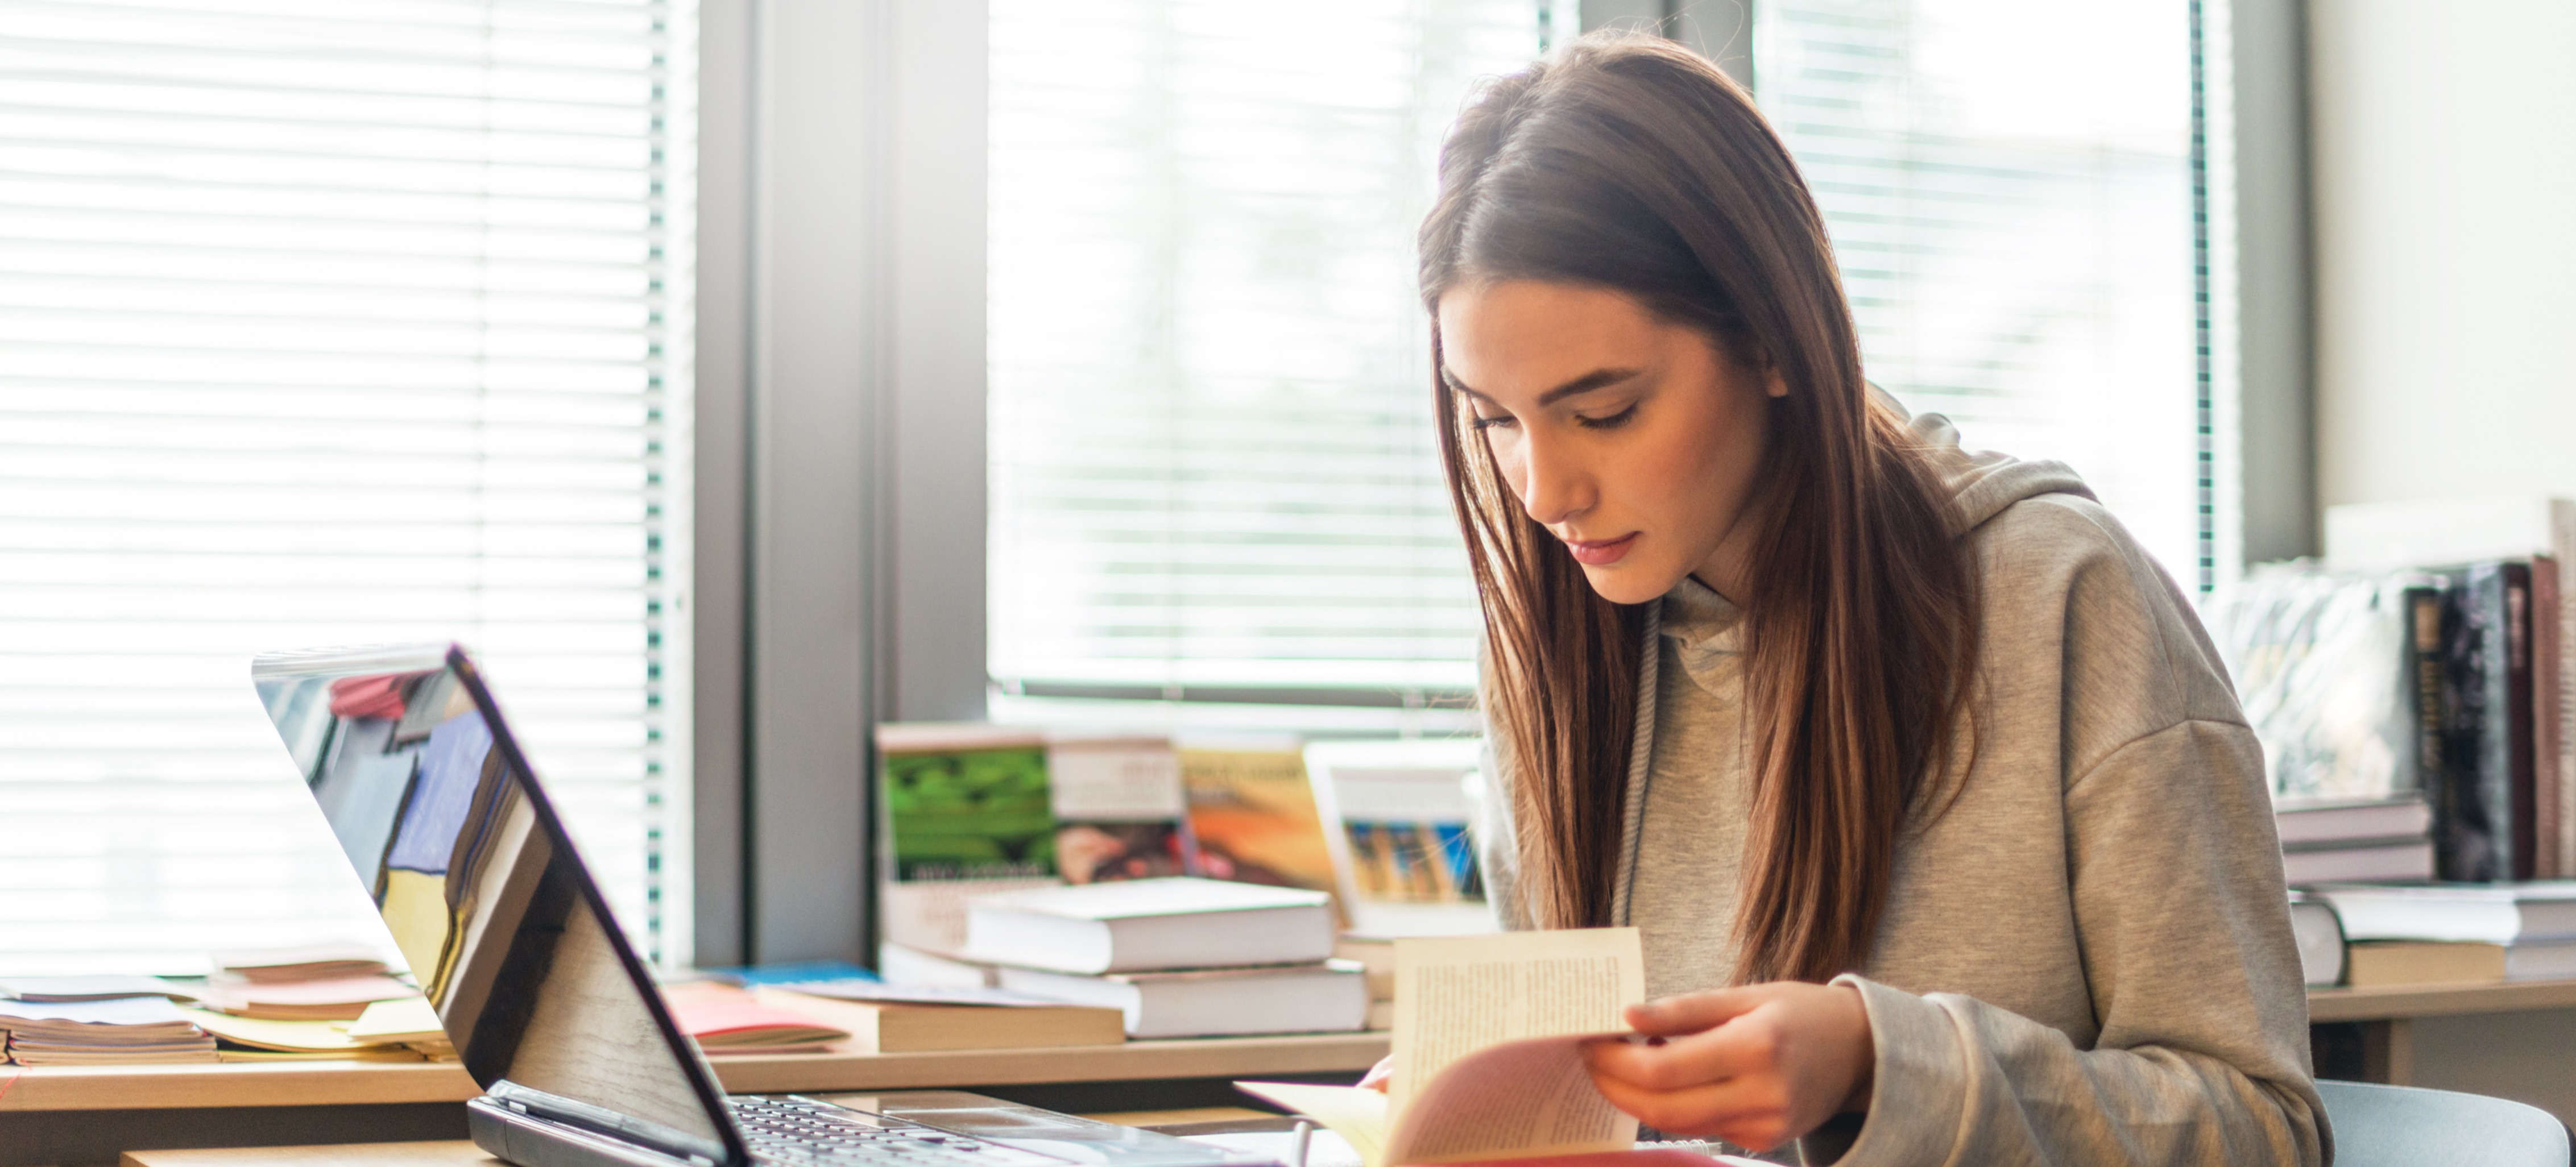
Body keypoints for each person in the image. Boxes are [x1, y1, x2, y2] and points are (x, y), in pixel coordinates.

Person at [1370, 32, 2326, 1166]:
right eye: (1492, 419)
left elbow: (2262, 1129)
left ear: (1775, 340)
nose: (1542, 491)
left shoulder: (2064, 599)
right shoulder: (1556, 653)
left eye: (1607, 409)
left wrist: (1880, 1066)